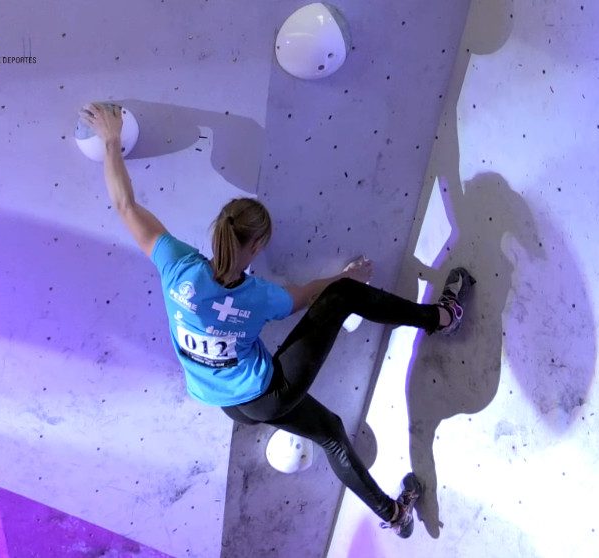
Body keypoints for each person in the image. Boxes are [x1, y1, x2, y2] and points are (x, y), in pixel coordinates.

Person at [80, 102, 474, 538]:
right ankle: (441, 316)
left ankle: (395, 515)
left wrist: (111, 140)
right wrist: (345, 278)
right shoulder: (258, 297)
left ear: (219, 232)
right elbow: (311, 297)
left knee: (330, 433)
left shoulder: (177, 268)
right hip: (268, 390)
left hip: (230, 405)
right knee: (342, 295)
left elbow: (124, 204)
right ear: (256, 247)